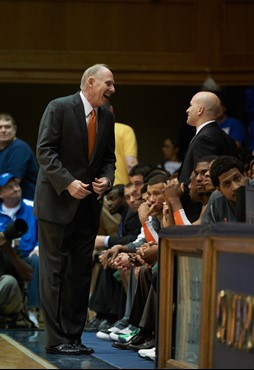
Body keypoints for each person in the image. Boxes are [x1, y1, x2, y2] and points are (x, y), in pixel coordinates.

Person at [34, 63, 116, 355]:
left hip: (88, 208)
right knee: (54, 273)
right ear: (90, 83)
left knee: (80, 274)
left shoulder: (107, 115)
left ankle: (73, 337)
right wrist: (68, 183)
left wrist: (107, 179)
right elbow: (44, 150)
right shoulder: (59, 107)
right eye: (108, 83)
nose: (112, 90)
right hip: (56, 204)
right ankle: (56, 340)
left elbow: (109, 158)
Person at [178, 91, 239, 222]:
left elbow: (205, 176)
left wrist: (181, 187)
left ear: (200, 110)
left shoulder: (205, 138)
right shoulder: (226, 137)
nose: (187, 110)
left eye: (190, 105)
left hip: (200, 210)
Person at [0, 173, 40, 327]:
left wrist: (38, 247)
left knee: (36, 260)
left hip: (26, 254)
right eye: (10, 187)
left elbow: (45, 233)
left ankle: (32, 310)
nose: (16, 189)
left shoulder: (32, 206)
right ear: (0, 193)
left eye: (17, 185)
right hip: (3, 258)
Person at [201, 155, 254, 224]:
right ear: (219, 189)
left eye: (237, 178)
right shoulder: (216, 199)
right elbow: (206, 231)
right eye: (227, 184)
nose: (236, 187)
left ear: (245, 175)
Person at [0, 113, 38, 200]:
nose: (3, 130)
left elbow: (11, 182)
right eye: (0, 127)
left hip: (24, 205)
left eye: (7, 127)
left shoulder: (20, 147)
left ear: (14, 129)